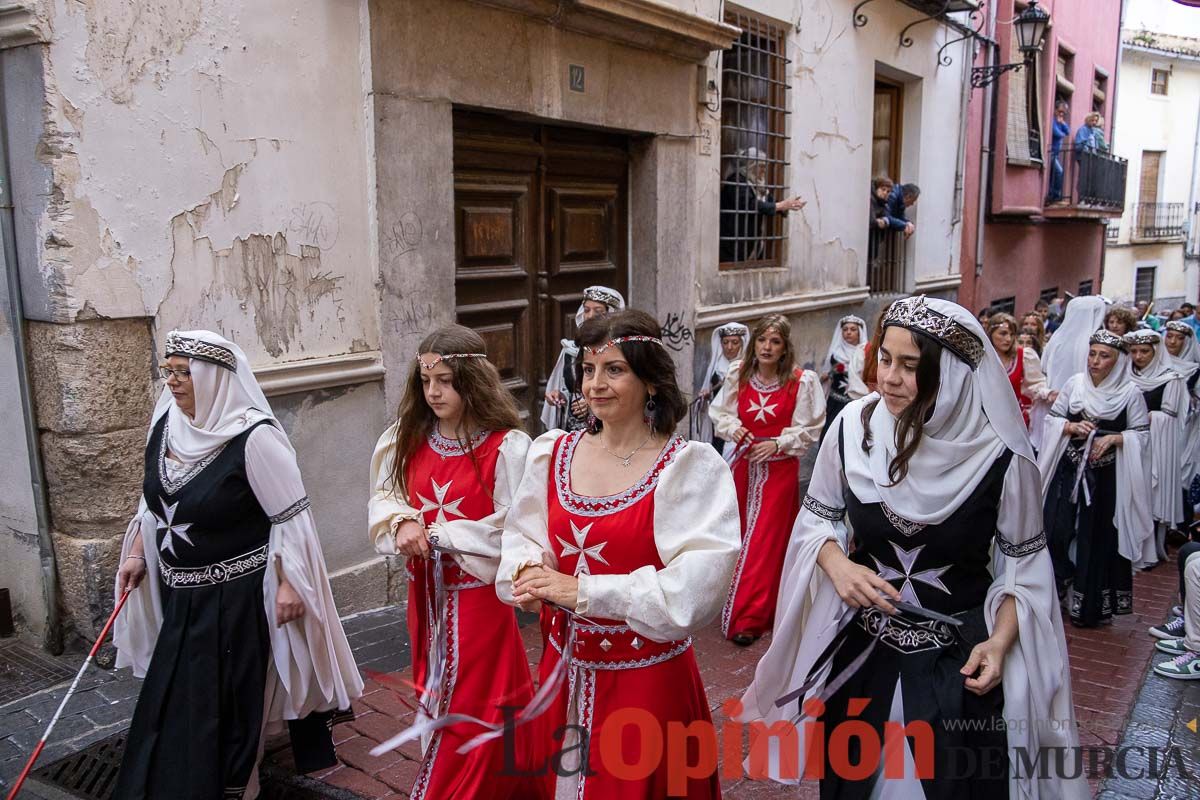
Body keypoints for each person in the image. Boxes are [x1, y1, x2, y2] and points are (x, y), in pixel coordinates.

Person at [740, 296, 1087, 799]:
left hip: (957, 664)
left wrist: (1001, 641)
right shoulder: (852, 429)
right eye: (885, 358)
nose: (890, 379)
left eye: (910, 366)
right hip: (861, 655)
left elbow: (1022, 565)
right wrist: (838, 565)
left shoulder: (1002, 456)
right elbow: (817, 519)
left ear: (953, 374)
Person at [497, 310, 740, 799]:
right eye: (588, 370)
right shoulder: (554, 452)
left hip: (646, 686)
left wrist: (583, 590)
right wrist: (525, 571)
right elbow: (522, 532)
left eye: (614, 370)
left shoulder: (687, 467)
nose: (595, 385)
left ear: (650, 380)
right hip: (563, 674)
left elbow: (695, 588)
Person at [113, 331, 362, 799]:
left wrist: (290, 583)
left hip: (236, 598)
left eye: (183, 372)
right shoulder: (166, 420)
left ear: (215, 378)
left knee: (227, 700)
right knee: (180, 692)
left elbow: (290, 518)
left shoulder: (255, 438)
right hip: (178, 591)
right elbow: (156, 500)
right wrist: (136, 552)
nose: (172, 382)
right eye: (167, 370)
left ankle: (231, 786)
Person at [367, 326, 545, 800]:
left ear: (472, 380)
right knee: (434, 685)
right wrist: (403, 520)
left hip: (477, 599)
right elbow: (387, 495)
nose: (433, 392)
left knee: (475, 697)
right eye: (426, 381)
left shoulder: (506, 447)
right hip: (424, 593)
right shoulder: (405, 438)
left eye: (445, 380)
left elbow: (517, 523)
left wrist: (443, 534)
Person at [710, 315, 826, 645]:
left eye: (775, 342)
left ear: (784, 347)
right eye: (762, 340)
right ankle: (741, 601)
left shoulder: (800, 382)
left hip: (778, 472)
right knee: (738, 535)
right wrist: (734, 429)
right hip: (743, 468)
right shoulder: (739, 375)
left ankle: (750, 617)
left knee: (765, 543)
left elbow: (809, 428)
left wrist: (777, 443)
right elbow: (722, 413)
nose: (767, 347)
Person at [1039, 330, 1152, 627]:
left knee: (1095, 538)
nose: (1095, 361)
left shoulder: (1130, 393)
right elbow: (1052, 419)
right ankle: (1056, 589)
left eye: (1104, 356)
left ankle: (1087, 604)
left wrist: (1115, 438)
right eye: (1092, 354)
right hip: (1068, 472)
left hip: (1105, 482)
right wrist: (1070, 429)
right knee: (1057, 530)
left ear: (1117, 361)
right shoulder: (1074, 385)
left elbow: (1142, 435)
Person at [1123, 330, 1187, 569]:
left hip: (1155, 448)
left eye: (1145, 351)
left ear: (1156, 351)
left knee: (1148, 496)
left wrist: (1148, 416)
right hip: (1129, 444)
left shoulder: (1172, 378)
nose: (1138, 356)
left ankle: (1149, 549)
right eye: (1135, 351)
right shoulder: (1126, 375)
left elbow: (1171, 416)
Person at [541, 286, 624, 432]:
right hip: (571, 431)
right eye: (586, 310)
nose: (590, 316)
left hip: (606, 429)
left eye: (598, 311)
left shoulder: (622, 352)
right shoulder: (570, 350)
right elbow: (567, 388)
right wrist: (558, 396)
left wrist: (592, 402)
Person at [719, 147, 806, 262]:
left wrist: (788, 206)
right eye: (761, 166)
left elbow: (770, 203)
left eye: (765, 166)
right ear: (750, 165)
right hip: (733, 245)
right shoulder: (736, 181)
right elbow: (751, 205)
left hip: (751, 244)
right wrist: (781, 205)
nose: (764, 170)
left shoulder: (758, 184)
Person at [690, 322, 750, 454]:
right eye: (725, 342)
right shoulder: (715, 367)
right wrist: (705, 396)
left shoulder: (749, 369)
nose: (729, 347)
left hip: (739, 424)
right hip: (717, 424)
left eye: (734, 342)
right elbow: (709, 395)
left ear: (742, 343)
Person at [988, 313, 1055, 427]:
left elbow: (1036, 384)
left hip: (1014, 422)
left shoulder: (1023, 356)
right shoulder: (982, 358)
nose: (1008, 339)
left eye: (1012, 334)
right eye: (1003, 334)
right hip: (987, 421)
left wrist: (1047, 393)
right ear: (990, 334)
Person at [1165, 320, 1200, 533]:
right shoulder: (1156, 365)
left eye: (1179, 338)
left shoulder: (1195, 371)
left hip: (1188, 430)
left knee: (1182, 473)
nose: (1173, 342)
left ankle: (1180, 525)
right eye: (1169, 336)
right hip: (1162, 428)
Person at [821, 314, 869, 438]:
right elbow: (827, 376)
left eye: (853, 329)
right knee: (831, 434)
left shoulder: (865, 353)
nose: (848, 332)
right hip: (836, 402)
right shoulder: (836, 354)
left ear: (859, 333)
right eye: (845, 329)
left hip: (858, 402)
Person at [1048, 100, 1071, 203]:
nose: (1061, 114)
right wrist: (1061, 130)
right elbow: (1057, 134)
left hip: (1056, 154)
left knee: (1055, 174)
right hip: (1051, 152)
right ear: (1055, 109)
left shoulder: (1059, 122)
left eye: (1064, 113)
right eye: (1060, 111)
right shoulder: (1052, 121)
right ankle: (1055, 195)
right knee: (1059, 171)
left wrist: (1063, 123)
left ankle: (1053, 194)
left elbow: (1068, 132)